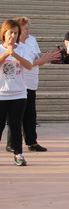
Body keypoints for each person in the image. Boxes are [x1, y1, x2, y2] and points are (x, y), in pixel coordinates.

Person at [6, 17, 59, 154]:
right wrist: (41, 61)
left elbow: (35, 58)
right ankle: (11, 144)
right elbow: (27, 64)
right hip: (19, 83)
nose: (28, 31)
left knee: (30, 114)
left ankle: (32, 142)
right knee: (16, 117)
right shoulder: (14, 47)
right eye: (25, 29)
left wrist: (45, 59)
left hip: (32, 82)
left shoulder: (32, 40)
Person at [0, 19, 33, 166]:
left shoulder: (23, 48)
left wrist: (15, 54)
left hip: (19, 94)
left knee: (15, 126)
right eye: (10, 33)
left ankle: (18, 154)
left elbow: (29, 65)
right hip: (1, 94)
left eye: (15, 33)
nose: (13, 36)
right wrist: (7, 53)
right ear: (4, 34)